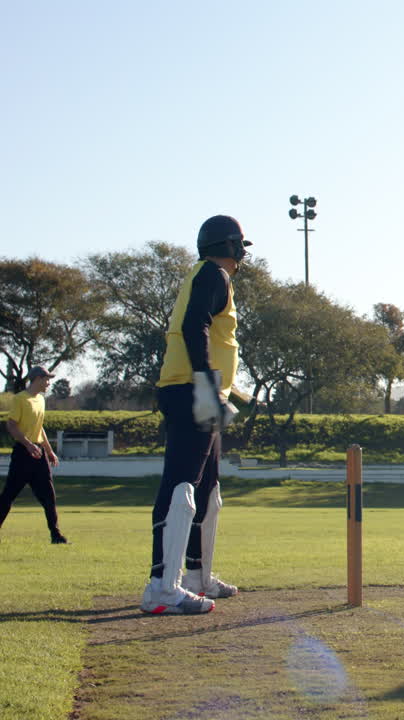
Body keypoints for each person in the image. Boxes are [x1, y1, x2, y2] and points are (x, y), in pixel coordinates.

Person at [140, 215, 252, 615]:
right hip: (192, 389)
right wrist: (206, 384)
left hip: (200, 388)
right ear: (232, 247)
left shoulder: (205, 275)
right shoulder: (214, 275)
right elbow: (195, 327)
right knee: (181, 486)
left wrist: (223, 390)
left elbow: (207, 334)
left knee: (206, 489)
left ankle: (196, 577)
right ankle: (161, 587)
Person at [0, 367, 68, 544]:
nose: (49, 383)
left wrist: (49, 451)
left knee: (49, 496)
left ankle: (56, 535)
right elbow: (11, 425)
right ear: (38, 378)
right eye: (47, 379)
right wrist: (28, 445)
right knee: (8, 495)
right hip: (23, 453)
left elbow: (39, 427)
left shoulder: (41, 400)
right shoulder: (20, 399)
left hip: (39, 453)